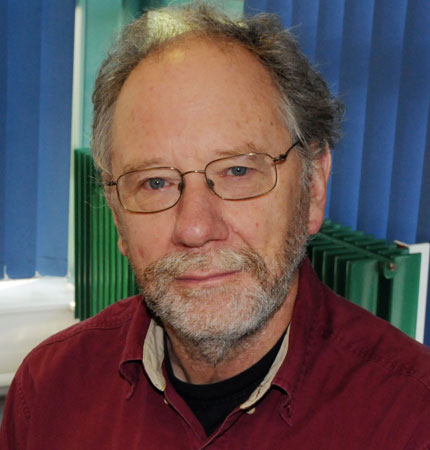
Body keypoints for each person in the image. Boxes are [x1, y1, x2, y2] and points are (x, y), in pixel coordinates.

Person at [2, 3, 430, 449]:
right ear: (117, 214)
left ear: (314, 188)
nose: (195, 227)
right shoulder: (48, 394)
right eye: (154, 182)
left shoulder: (412, 419)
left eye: (238, 171)